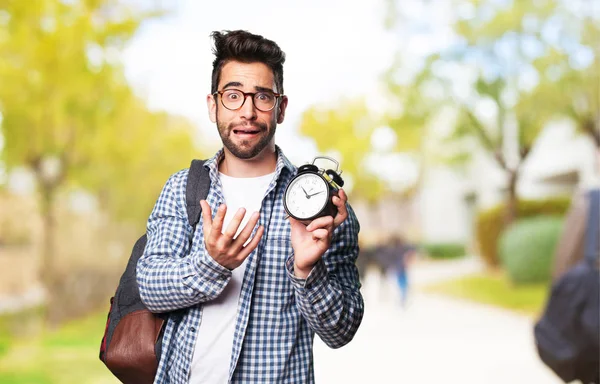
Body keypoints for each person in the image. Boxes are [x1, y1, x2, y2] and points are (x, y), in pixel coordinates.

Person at [136, 30, 364, 384]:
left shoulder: (321, 205)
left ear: (281, 107)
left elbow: (341, 331)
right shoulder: (182, 187)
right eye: (233, 96)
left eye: (262, 97)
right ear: (213, 105)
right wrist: (212, 265)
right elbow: (149, 287)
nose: (248, 111)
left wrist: (307, 270)